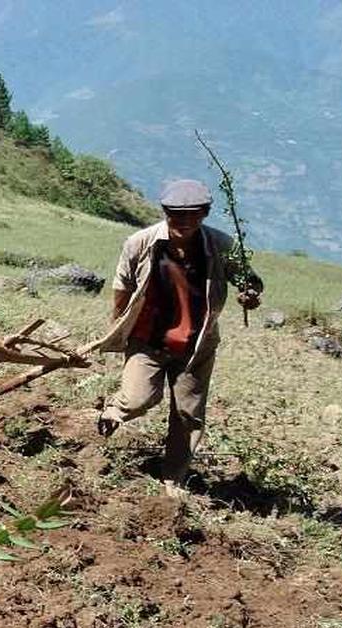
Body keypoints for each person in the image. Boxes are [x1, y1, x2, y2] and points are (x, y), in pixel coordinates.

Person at [83, 179, 263, 491]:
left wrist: (250, 294)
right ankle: (113, 410)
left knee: (188, 414)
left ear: (204, 213)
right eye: (176, 214)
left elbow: (250, 281)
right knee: (140, 398)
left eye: (192, 214)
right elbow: (122, 286)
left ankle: (173, 477)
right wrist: (118, 329)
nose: (183, 221)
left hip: (196, 344)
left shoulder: (222, 246)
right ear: (165, 212)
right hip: (147, 338)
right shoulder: (140, 243)